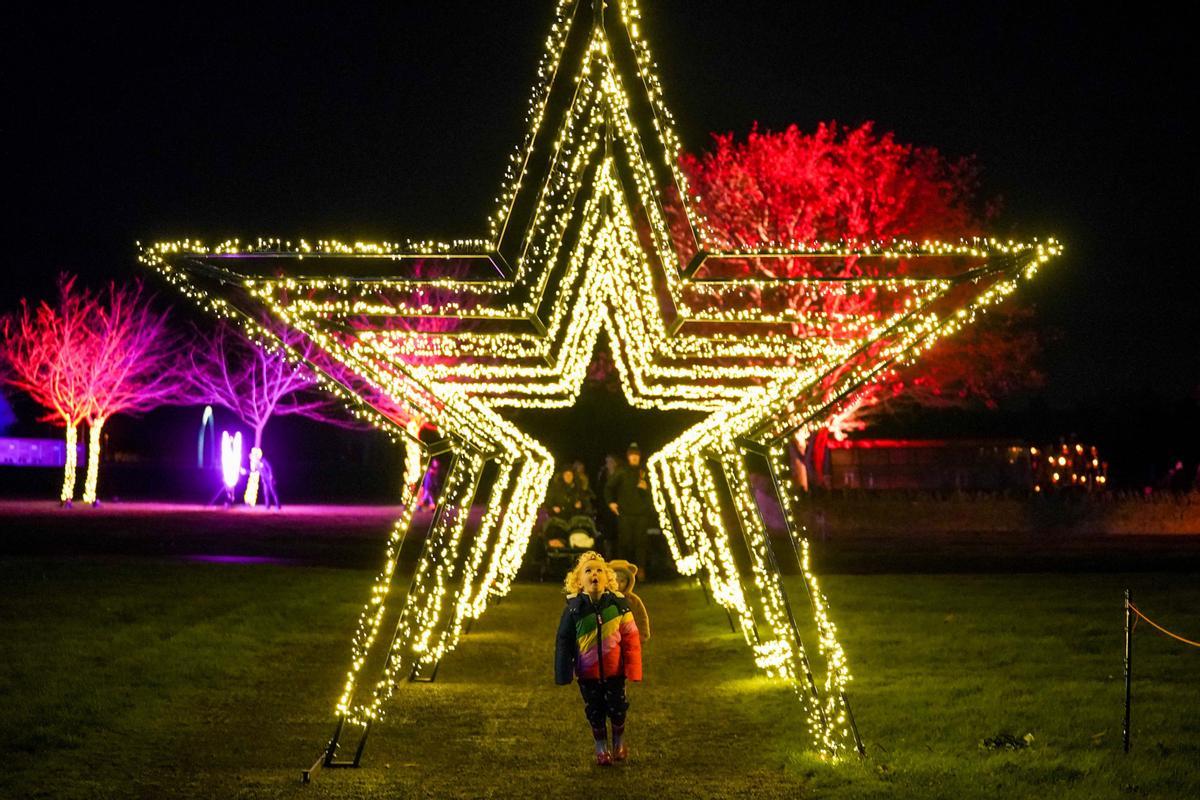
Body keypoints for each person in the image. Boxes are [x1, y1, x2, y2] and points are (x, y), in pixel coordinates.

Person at [555, 552, 642, 766]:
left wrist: (633, 669)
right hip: (588, 674)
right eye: (588, 570)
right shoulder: (574, 610)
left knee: (618, 707)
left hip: (615, 671)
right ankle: (601, 746)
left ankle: (619, 739)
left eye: (599, 570)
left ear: (607, 578)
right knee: (595, 710)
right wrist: (564, 671)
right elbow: (564, 641)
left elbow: (631, 637)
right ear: (578, 581)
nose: (594, 574)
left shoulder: (619, 606)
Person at [604, 443, 656, 576]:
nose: (634, 457)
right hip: (625, 513)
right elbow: (609, 487)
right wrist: (611, 503)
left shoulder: (645, 472)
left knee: (641, 543)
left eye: (636, 455)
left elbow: (656, 492)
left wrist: (647, 489)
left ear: (639, 457)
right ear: (628, 457)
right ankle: (624, 570)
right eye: (632, 455)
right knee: (625, 543)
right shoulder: (622, 471)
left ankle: (641, 569)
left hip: (641, 514)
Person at [608, 559, 650, 641]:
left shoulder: (633, 600)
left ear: (629, 582)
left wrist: (642, 633)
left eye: (622, 581)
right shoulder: (604, 598)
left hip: (630, 637)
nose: (618, 584)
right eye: (615, 580)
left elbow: (641, 617)